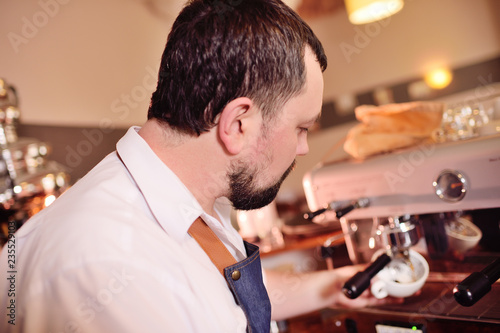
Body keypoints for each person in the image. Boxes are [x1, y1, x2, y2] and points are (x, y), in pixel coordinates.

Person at [0, 0, 396, 332]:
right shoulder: (108, 268)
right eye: (301, 128)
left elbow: (218, 293)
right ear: (238, 124)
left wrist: (331, 286)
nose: (305, 147)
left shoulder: (182, 198)